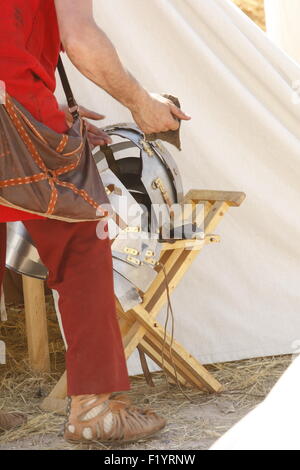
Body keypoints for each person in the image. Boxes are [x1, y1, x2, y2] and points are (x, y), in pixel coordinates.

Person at [0, 0, 191, 443]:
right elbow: (80, 36)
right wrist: (143, 104)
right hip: (12, 105)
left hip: (18, 103)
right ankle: (94, 409)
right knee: (83, 245)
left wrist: (47, 107)